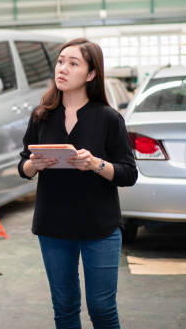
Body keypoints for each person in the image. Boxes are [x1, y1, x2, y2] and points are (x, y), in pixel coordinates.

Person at [18, 38, 137, 329]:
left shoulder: (109, 118)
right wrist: (34, 165)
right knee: (65, 308)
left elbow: (128, 173)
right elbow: (23, 165)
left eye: (73, 63)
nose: (63, 68)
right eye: (60, 61)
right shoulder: (42, 115)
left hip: (100, 228)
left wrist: (95, 164)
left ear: (91, 74)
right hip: (53, 226)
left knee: (102, 309)